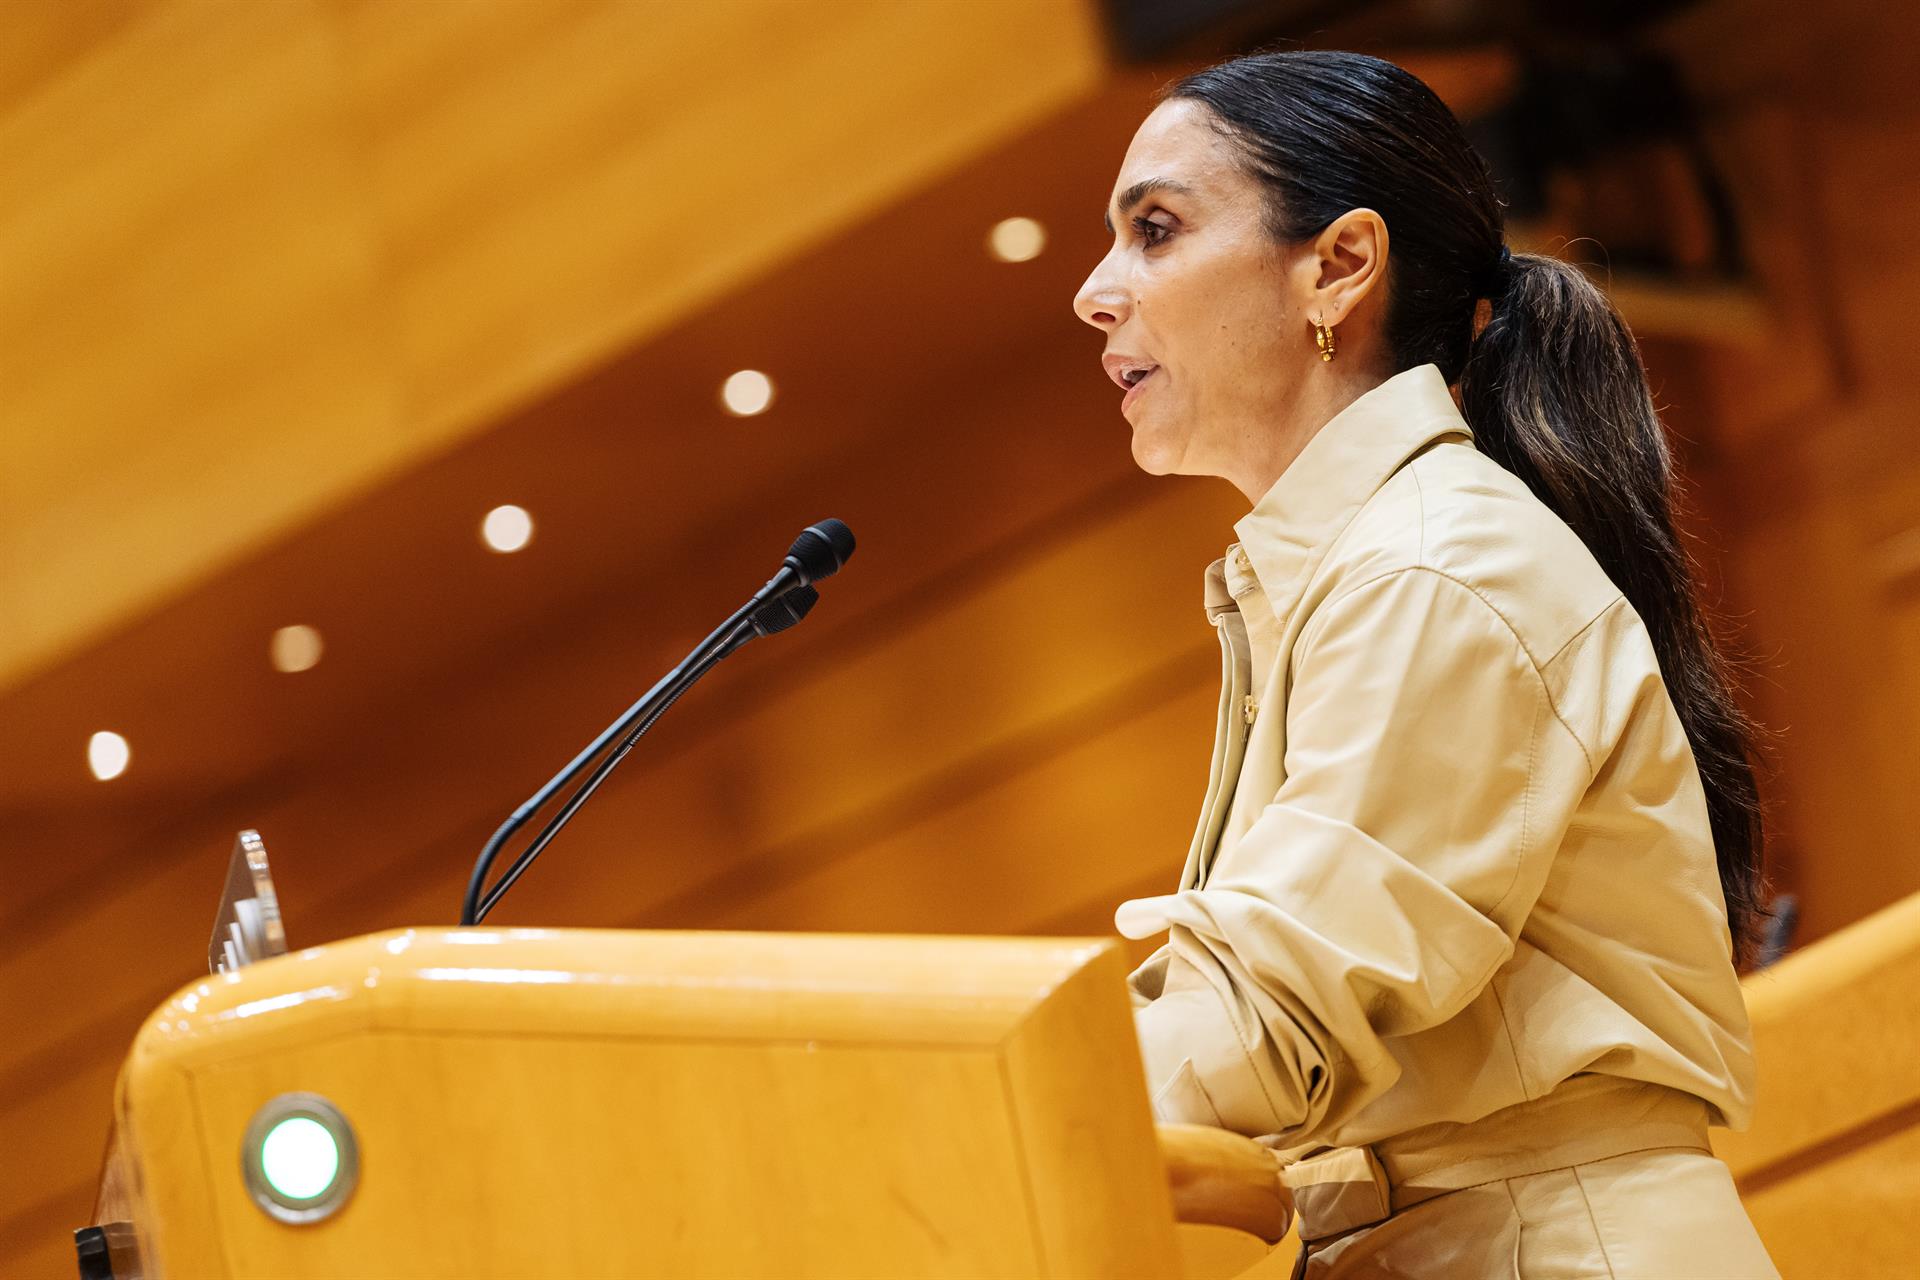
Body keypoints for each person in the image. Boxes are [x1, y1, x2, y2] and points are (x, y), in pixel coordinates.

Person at [1072, 49, 1779, 1278]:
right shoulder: (1366, 562)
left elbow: (1273, 1009)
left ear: (1340, 264)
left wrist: (983, 1096)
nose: (1095, 291)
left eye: (1157, 230)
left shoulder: (1433, 565)